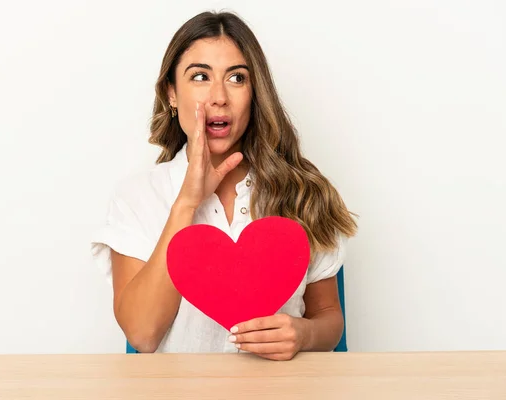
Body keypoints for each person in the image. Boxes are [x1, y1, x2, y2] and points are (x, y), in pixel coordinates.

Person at [91, 10, 357, 360]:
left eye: (236, 78)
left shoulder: (304, 190)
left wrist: (304, 334)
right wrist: (186, 203)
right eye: (200, 76)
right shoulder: (137, 198)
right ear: (172, 94)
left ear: (254, 93)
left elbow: (328, 318)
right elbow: (142, 334)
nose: (219, 97)